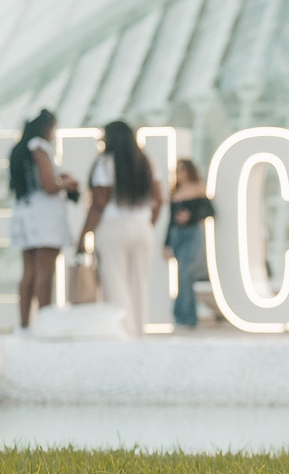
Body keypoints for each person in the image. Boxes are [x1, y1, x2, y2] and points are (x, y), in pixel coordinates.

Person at [79, 120, 164, 338]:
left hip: (113, 227)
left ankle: (122, 335)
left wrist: (84, 235)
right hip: (142, 228)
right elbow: (159, 199)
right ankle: (139, 333)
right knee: (139, 283)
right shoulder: (146, 162)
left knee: (114, 281)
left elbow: (98, 204)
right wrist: (147, 223)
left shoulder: (105, 163)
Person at [7, 111, 79, 330]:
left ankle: (25, 324)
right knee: (45, 272)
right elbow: (49, 185)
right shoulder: (39, 146)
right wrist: (67, 182)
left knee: (28, 271)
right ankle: (45, 322)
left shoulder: (18, 149)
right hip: (44, 217)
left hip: (24, 213)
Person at [163, 158, 213, 329]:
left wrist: (190, 216)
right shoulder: (175, 192)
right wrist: (167, 243)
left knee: (185, 273)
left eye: (182, 170)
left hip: (192, 234)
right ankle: (186, 317)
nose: (179, 174)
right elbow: (170, 221)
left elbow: (209, 210)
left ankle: (184, 316)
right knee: (182, 275)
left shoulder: (199, 188)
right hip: (177, 235)